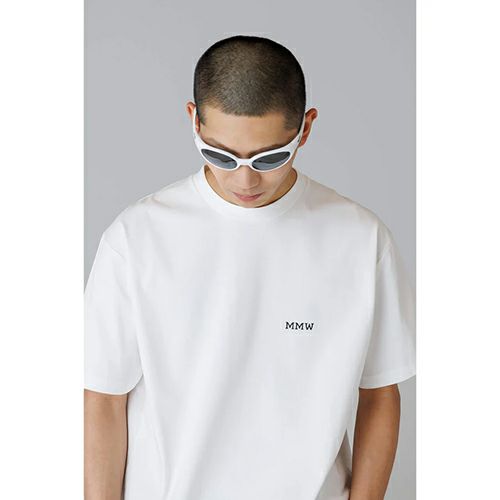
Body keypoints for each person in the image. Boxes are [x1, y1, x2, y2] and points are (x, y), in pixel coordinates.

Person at [84, 35, 416, 500]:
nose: (244, 179)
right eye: (219, 154)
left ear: (305, 128)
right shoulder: (136, 238)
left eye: (270, 157)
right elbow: (103, 397)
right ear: (194, 120)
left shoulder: (360, 240)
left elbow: (380, 394)